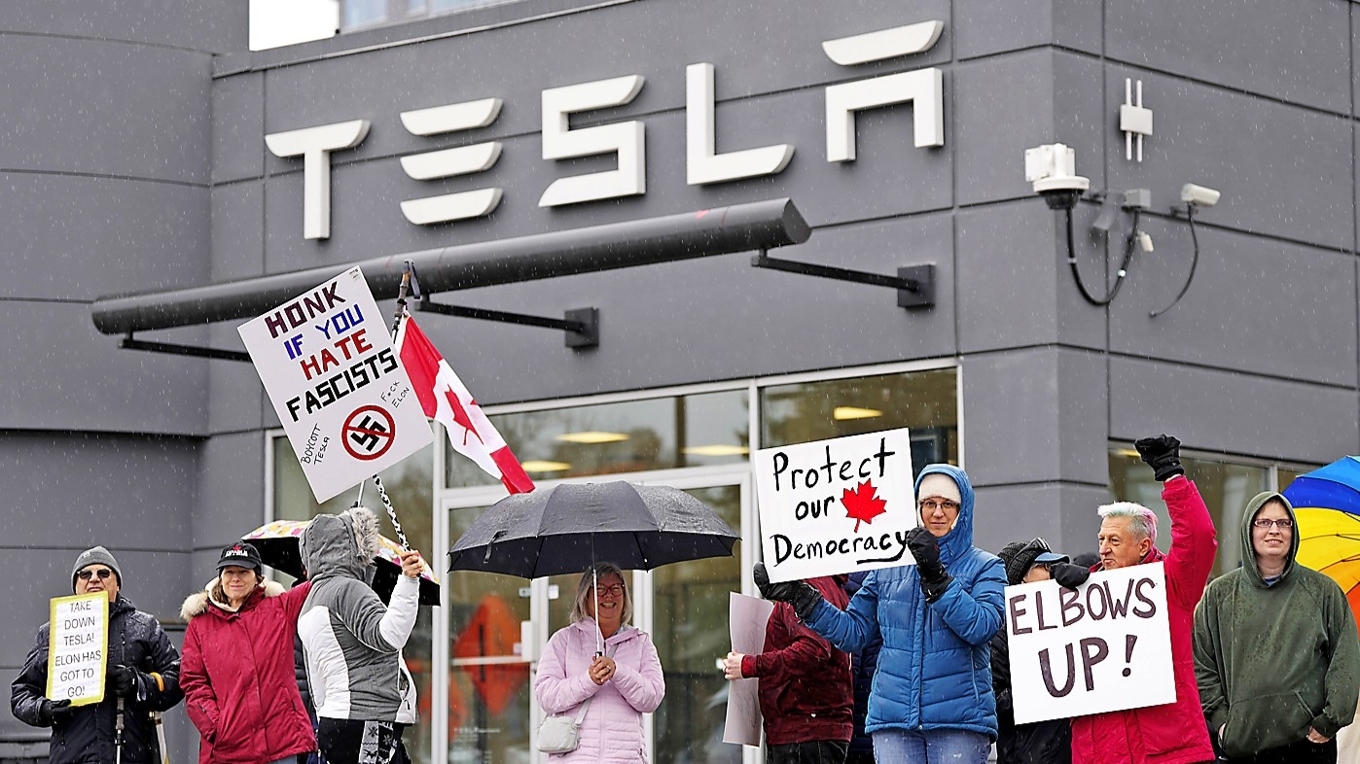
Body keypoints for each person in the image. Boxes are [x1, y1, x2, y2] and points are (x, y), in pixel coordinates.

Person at [756, 463, 1007, 764]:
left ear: (962, 510)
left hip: (959, 722)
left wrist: (937, 578)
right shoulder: (889, 567)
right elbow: (853, 631)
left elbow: (981, 626)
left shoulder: (986, 567)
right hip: (894, 720)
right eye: (929, 503)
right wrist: (803, 598)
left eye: (947, 504)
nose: (937, 513)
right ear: (917, 507)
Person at [1069, 434, 1218, 764]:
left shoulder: (1171, 585)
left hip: (1165, 751)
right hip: (1100, 753)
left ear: (1143, 546)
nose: (1103, 547)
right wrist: (1058, 584)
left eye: (1115, 540)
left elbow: (1199, 538)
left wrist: (1172, 476)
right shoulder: (1082, 594)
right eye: (1101, 539)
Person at [1193, 491, 1360, 763]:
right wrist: (1223, 722)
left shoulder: (1323, 592)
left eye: (1283, 523)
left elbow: (1345, 659)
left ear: (1293, 532)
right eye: (1264, 522)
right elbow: (1202, 662)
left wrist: (1330, 719)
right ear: (1249, 528)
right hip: (1242, 746)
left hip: (1308, 745)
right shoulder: (1218, 595)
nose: (1274, 530)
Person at [11, 545, 184, 764]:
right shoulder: (52, 632)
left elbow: (180, 677)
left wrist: (138, 683)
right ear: (76, 585)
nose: (94, 579)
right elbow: (20, 694)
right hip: (72, 757)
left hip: (130, 755)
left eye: (104, 573)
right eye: (85, 574)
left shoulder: (145, 627)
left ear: (118, 584)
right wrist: (45, 710)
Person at [298, 507, 424, 764]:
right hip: (367, 719)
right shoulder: (348, 590)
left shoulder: (310, 601)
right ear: (351, 546)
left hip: (335, 722)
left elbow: (316, 680)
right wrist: (409, 581)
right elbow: (390, 636)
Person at [180, 541, 317, 764]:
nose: (235, 578)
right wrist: (217, 726)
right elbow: (193, 683)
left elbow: (320, 584)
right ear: (220, 576)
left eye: (243, 572)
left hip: (280, 746)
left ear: (258, 578)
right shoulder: (200, 625)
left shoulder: (280, 608)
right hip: (228, 751)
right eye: (229, 571)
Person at [534, 562, 665, 763]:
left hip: (625, 758)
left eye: (616, 589)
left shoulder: (641, 642)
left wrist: (618, 672)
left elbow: (652, 697)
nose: (609, 595)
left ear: (625, 596)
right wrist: (589, 680)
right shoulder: (564, 640)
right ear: (585, 596)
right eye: (600, 589)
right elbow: (546, 695)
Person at [722, 574, 853, 764]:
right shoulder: (830, 585)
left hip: (803, 731)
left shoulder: (805, 585)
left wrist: (749, 665)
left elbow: (812, 651)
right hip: (816, 730)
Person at [991, 538, 1090, 764]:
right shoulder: (1000, 630)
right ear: (1021, 577)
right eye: (1044, 567)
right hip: (1024, 754)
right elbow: (995, 699)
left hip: (1070, 752)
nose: (1053, 573)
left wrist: (1089, 581)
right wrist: (1039, 690)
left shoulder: (1070, 618)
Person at [843, 572, 881, 764]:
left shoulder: (848, 600)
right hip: (877, 728)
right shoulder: (886, 592)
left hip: (854, 735)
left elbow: (847, 678)